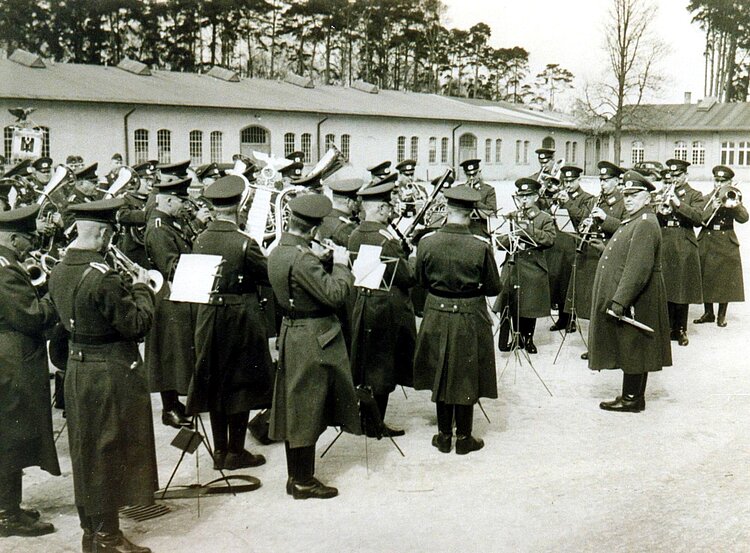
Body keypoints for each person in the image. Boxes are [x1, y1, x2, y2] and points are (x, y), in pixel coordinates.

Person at [48, 198, 157, 553]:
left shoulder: (60, 268)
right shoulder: (102, 276)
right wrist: (142, 288)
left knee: (87, 452)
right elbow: (136, 324)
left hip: (78, 370)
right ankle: (109, 537)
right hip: (110, 369)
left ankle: (92, 533)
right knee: (111, 451)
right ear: (106, 233)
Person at [267, 194, 361, 499]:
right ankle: (304, 480)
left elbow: (301, 278)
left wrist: (322, 262)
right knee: (308, 408)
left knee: (295, 407)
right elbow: (335, 295)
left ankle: (295, 476)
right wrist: (342, 266)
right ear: (314, 229)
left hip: (292, 331)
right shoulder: (303, 257)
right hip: (314, 335)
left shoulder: (281, 250)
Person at [187, 176, 272, 470]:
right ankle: (236, 451)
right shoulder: (244, 242)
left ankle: (220, 451)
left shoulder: (200, 238)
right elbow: (267, 275)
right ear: (238, 206)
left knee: (215, 382)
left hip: (208, 314)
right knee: (240, 383)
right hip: (240, 315)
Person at [413, 185, 500, 454]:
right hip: (469, 313)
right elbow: (494, 287)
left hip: (436, 312)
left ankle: (442, 436)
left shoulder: (426, 242)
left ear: (447, 210)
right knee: (465, 372)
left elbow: (420, 281)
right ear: (471, 212)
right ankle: (464, 437)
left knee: (441, 368)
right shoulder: (480, 245)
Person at [588, 171, 671, 412]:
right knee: (633, 346)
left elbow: (638, 269)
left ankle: (633, 398)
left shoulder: (644, 222)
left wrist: (620, 300)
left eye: (635, 194)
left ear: (647, 197)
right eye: (626, 194)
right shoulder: (637, 219)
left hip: (638, 297)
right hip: (637, 296)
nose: (629, 199)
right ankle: (631, 395)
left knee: (634, 346)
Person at [0, 205, 60, 538]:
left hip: (7, 355)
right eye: (26, 239)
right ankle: (7, 515)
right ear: (12, 237)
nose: (31, 245)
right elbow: (32, 316)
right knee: (12, 436)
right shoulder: (6, 268)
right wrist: (54, 296)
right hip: (12, 359)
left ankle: (8, 507)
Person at [348, 179, 416, 438]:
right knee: (383, 368)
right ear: (381, 209)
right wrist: (410, 256)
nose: (392, 212)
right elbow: (405, 277)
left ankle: (367, 419)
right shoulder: (385, 239)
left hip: (364, 302)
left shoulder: (355, 234)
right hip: (385, 307)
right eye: (389, 208)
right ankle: (374, 423)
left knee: (368, 364)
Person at [144, 177, 196, 429]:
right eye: (180, 201)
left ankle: (174, 403)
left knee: (175, 350)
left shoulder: (169, 222)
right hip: (167, 294)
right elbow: (170, 265)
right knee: (168, 352)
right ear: (167, 200)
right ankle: (169, 408)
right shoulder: (158, 227)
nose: (184, 206)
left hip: (177, 292)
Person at [494, 178, 555, 354]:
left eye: (528, 196)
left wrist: (528, 230)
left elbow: (550, 239)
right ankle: (517, 337)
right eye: (521, 197)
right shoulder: (514, 215)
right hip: (515, 263)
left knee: (530, 303)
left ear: (536, 197)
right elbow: (504, 239)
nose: (524, 200)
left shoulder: (544, 218)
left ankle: (529, 338)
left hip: (534, 264)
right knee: (514, 302)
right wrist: (501, 240)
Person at [694, 165, 748, 327]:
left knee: (725, 277)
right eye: (716, 181)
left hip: (726, 239)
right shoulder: (706, 198)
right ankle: (708, 312)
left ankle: (721, 315)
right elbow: (699, 220)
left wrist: (734, 204)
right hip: (708, 238)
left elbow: (744, 218)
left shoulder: (733, 197)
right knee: (706, 275)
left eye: (723, 181)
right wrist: (712, 207)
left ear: (730, 181)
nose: (719, 184)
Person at [657, 159, 704, 346]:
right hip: (666, 240)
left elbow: (699, 219)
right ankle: (668, 327)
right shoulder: (663, 193)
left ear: (686, 175)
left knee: (682, 287)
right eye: (672, 176)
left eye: (678, 175)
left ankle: (681, 329)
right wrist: (659, 209)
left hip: (684, 242)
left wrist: (678, 204)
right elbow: (656, 217)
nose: (674, 179)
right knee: (666, 286)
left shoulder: (695, 194)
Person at [459, 158, 496, 236]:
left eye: (474, 174)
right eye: (468, 175)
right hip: (462, 228)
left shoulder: (488, 190)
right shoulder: (460, 189)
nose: (471, 178)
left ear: (479, 172)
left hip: (480, 229)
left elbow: (492, 215)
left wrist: (474, 201)